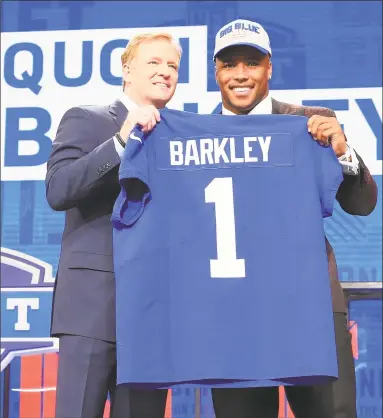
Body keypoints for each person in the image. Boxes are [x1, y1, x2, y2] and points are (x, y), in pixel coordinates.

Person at [209, 19, 378, 418]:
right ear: (216, 71)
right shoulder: (194, 134)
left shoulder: (311, 124)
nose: (240, 74)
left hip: (311, 303)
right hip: (233, 310)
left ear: (270, 67)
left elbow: (362, 204)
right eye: (229, 64)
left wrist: (342, 152)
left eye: (251, 62)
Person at [45, 32, 182, 418]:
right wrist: (122, 140)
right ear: (127, 69)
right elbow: (58, 190)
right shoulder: (86, 119)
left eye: (172, 66)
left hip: (152, 314)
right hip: (91, 308)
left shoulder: (179, 137)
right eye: (154, 62)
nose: (165, 72)